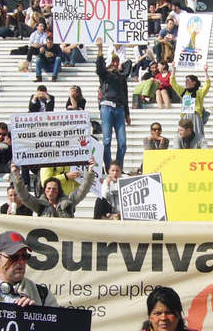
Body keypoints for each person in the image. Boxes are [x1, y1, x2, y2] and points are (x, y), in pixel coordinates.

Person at [95, 39, 133, 169]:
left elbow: (125, 96)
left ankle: (118, 167)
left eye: (117, 61)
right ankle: (108, 167)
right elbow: (99, 68)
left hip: (120, 108)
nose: (115, 63)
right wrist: (100, 50)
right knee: (106, 141)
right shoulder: (105, 75)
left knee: (122, 143)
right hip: (107, 107)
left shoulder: (122, 78)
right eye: (113, 61)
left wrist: (127, 113)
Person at [10, 163, 95, 218]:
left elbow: (83, 190)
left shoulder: (68, 202)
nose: (51, 191)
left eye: (54, 189)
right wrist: (16, 175)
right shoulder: (39, 205)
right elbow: (24, 196)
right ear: (45, 190)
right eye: (48, 188)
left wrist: (90, 171)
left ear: (59, 191)